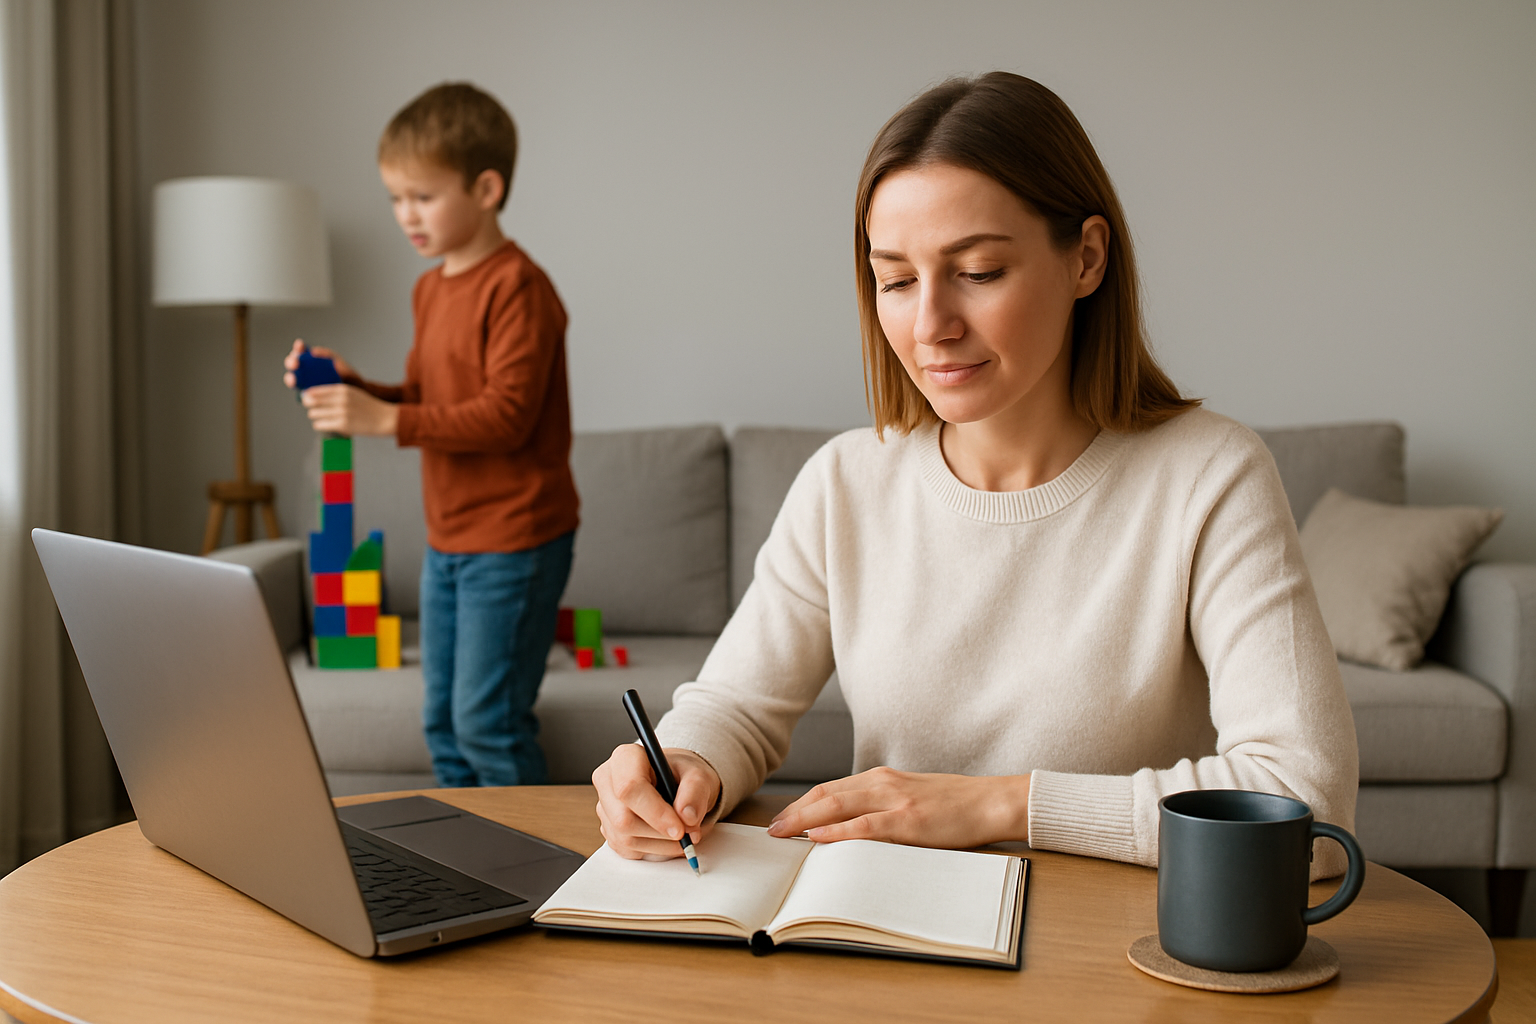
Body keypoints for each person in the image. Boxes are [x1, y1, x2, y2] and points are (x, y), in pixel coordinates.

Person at [592, 72, 1358, 874]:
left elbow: (1307, 800)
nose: (930, 326)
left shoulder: (1211, 476)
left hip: (1110, 960)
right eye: (895, 280)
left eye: (980, 272)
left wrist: (998, 804)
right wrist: (680, 763)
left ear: (1087, 258)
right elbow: (734, 707)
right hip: (894, 935)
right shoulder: (845, 484)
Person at [284, 82, 579, 788]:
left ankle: (542, 886)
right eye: (395, 198)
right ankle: (472, 876)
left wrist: (384, 419)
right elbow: (431, 399)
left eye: (422, 197)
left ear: (485, 188)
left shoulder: (519, 289)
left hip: (514, 540)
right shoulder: (431, 288)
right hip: (450, 540)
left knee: (489, 724)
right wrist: (366, 392)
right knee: (443, 727)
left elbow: (504, 415)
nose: (404, 216)